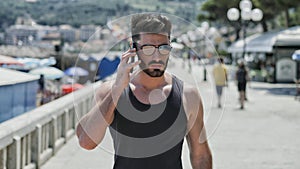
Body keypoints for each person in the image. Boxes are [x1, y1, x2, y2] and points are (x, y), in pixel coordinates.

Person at [76, 13, 212, 169]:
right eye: (148, 48)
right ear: (134, 49)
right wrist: (117, 88)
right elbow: (86, 142)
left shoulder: (188, 95)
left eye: (163, 48)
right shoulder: (111, 91)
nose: (157, 56)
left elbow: (201, 156)